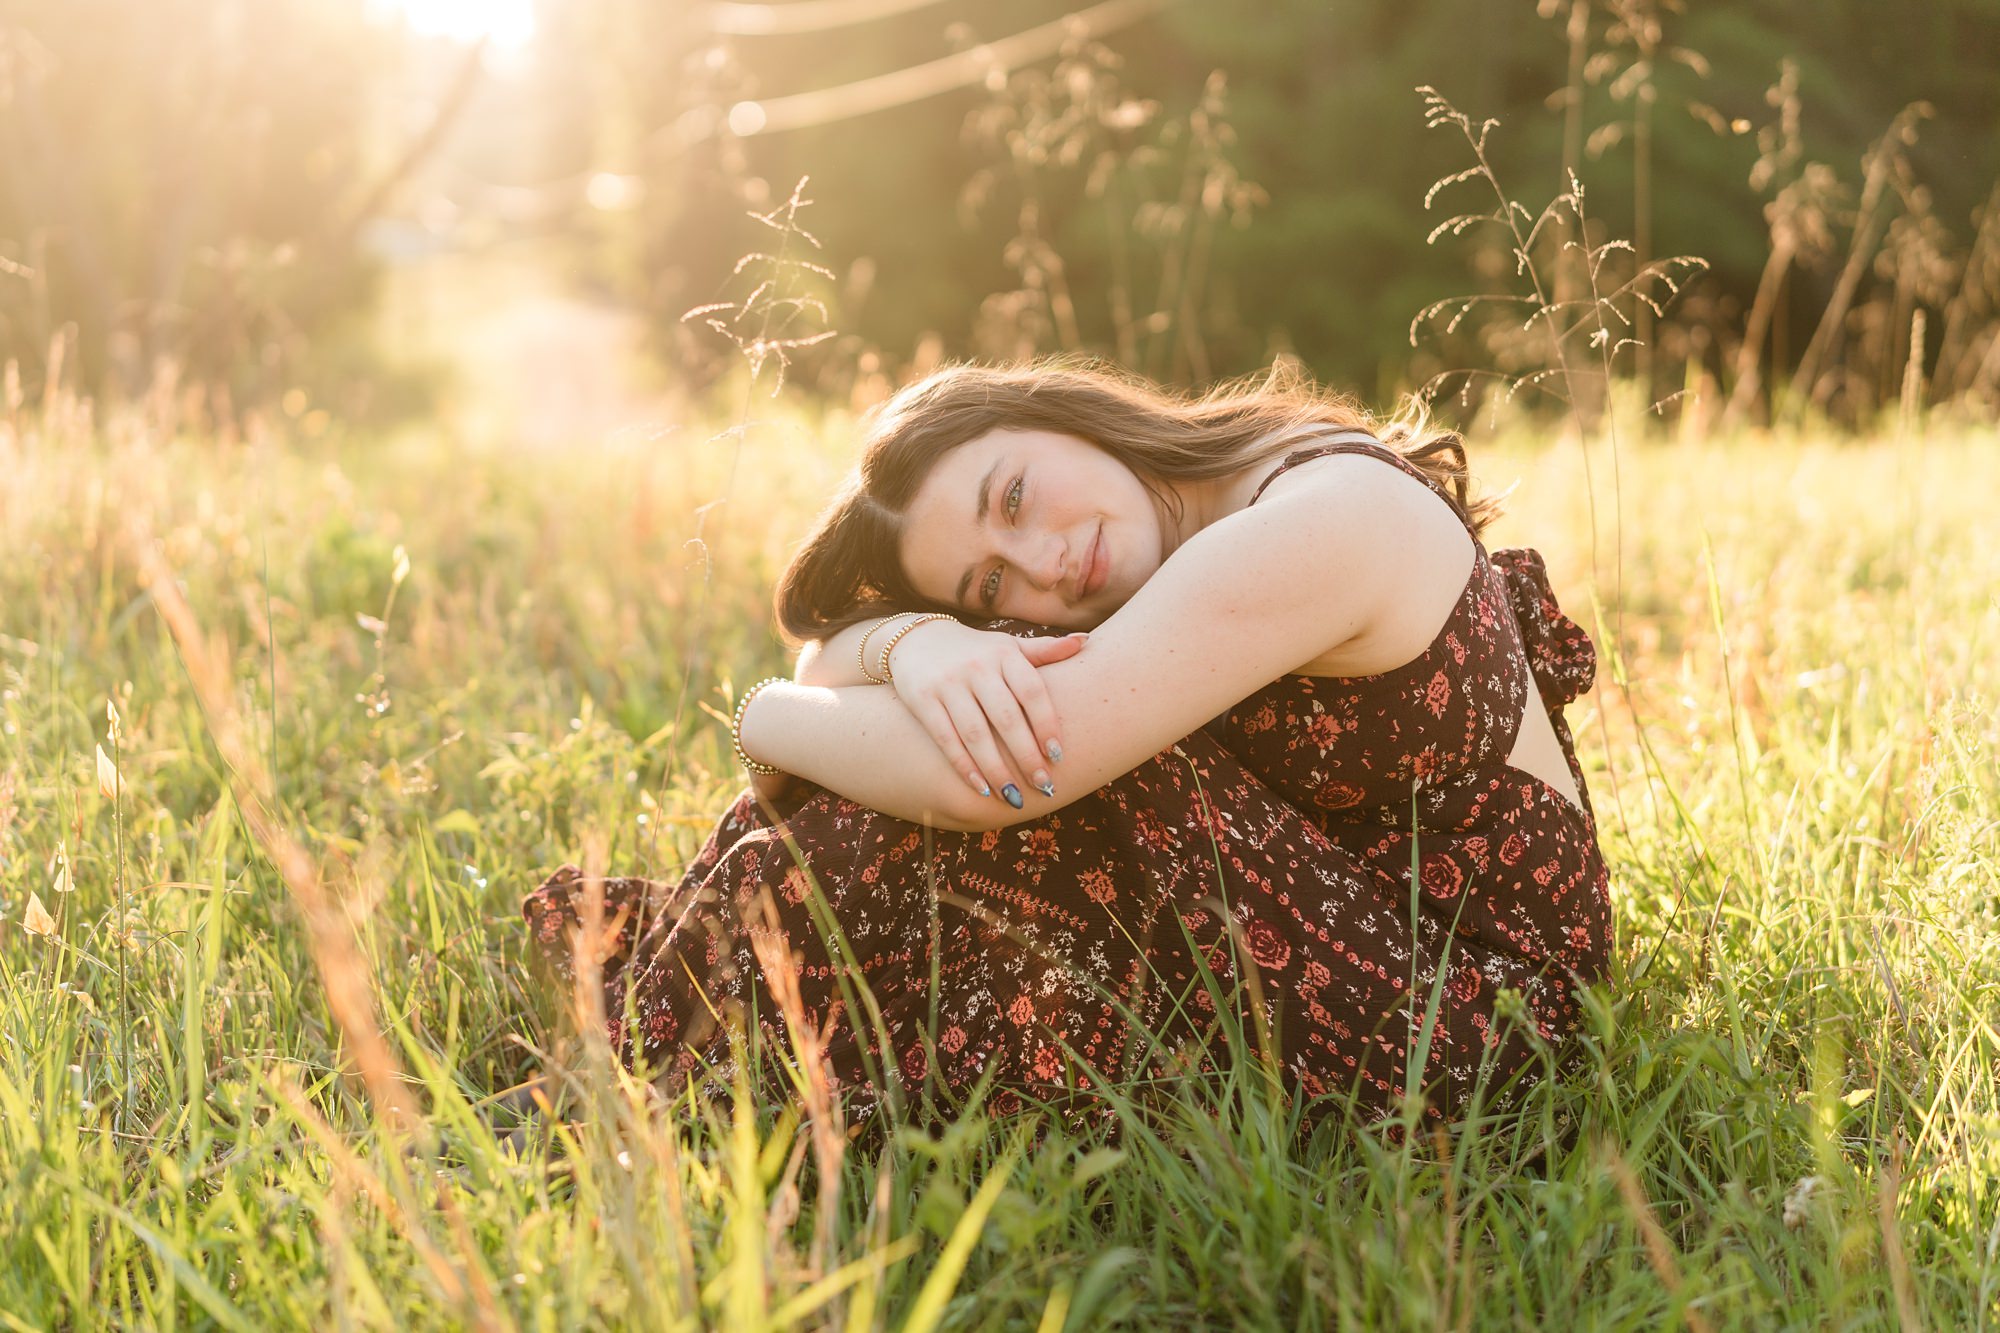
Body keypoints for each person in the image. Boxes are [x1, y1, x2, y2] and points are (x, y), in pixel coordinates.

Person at [523, 359, 1611, 1124]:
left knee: (1022, 743)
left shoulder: (1319, 515)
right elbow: (833, 659)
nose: (1044, 562)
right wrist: (919, 645)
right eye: (988, 583)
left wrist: (760, 715)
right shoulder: (1178, 520)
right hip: (1375, 925)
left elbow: (999, 780)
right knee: (983, 702)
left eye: (1013, 495)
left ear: (1059, 415)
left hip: (1486, 1011)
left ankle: (698, 1058)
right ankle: (727, 1040)